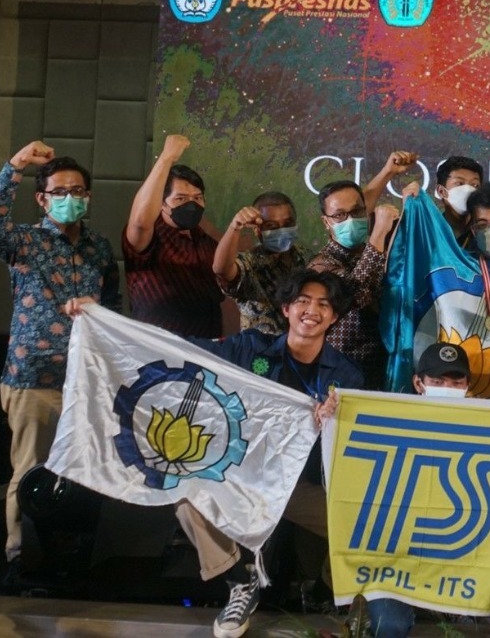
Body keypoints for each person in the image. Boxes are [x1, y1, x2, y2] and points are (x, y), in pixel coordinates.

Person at [69, 269, 362, 638]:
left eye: (323, 304)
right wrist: (106, 317)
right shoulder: (250, 348)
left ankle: (330, 594)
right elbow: (181, 348)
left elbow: (349, 451)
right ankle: (240, 581)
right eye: (302, 301)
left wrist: (334, 422)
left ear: (334, 317)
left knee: (363, 526)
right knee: (185, 492)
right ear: (286, 309)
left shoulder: (346, 376)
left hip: (294, 486)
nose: (312, 310)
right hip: (237, 475)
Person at [0, 140, 122, 584]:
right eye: (60, 191)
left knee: (82, 473)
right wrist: (16, 165)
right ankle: (18, 559)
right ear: (42, 198)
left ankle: (69, 558)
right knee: (31, 469)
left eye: (78, 190)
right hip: (33, 377)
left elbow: (111, 307)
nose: (70, 198)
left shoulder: (99, 247)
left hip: (85, 382)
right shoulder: (25, 241)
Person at [363, 341, 490, 637]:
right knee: (389, 625)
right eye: (437, 381)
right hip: (400, 553)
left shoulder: (489, 418)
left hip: (463, 544)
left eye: (456, 381)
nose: (447, 388)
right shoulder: (397, 416)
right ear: (418, 382)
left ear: (468, 384)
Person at [308, 151, 410, 386]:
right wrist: (379, 233)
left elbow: (360, 203)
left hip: (385, 369)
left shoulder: (368, 251)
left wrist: (387, 172)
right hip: (341, 373)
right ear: (326, 222)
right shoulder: (322, 264)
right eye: (339, 215)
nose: (350, 220)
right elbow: (355, 294)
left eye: (356, 213)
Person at [123, 134, 224, 337]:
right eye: (180, 198)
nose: (191, 204)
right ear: (161, 203)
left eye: (197, 198)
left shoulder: (207, 243)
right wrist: (166, 158)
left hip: (206, 350)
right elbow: (141, 222)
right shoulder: (148, 237)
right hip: (159, 352)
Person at [212, 190, 308, 333]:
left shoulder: (306, 256)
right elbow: (222, 270)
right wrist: (235, 227)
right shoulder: (248, 263)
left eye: (288, 224)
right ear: (257, 230)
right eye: (271, 226)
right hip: (260, 351)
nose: (282, 231)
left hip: (301, 348)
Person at [435, 155, 483, 247]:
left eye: (475, 185)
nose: (468, 189)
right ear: (441, 191)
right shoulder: (427, 232)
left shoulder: (486, 236)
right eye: (459, 183)